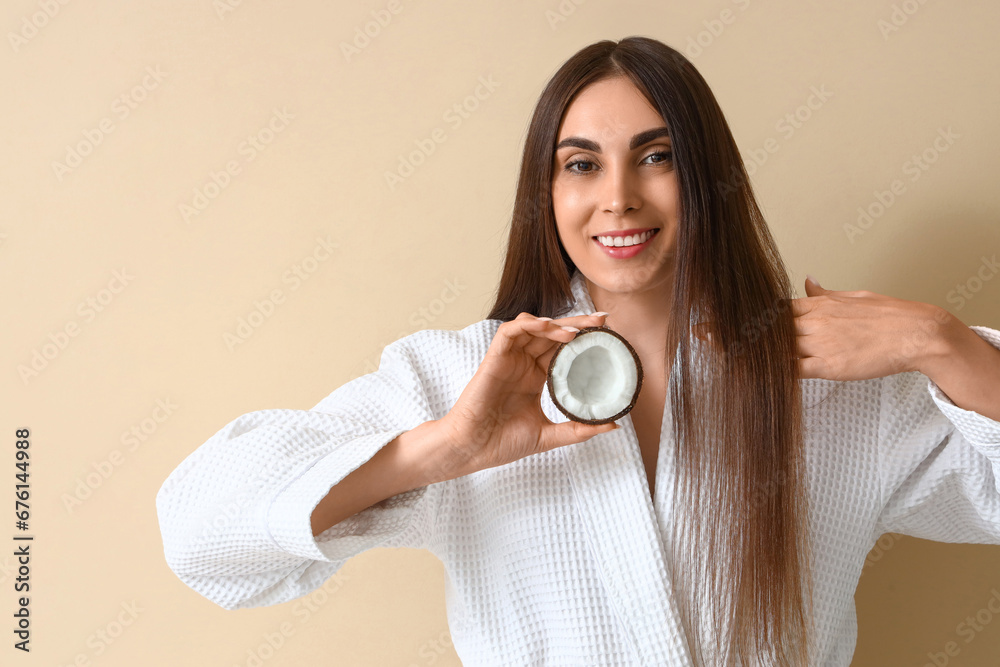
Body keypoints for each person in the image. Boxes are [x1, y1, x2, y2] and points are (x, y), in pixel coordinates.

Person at [155, 36, 1000, 666]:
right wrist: (446, 447)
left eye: (657, 157)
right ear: (545, 192)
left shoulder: (830, 378)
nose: (619, 198)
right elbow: (199, 533)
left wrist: (943, 343)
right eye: (581, 164)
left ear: (707, 178)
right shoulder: (462, 382)